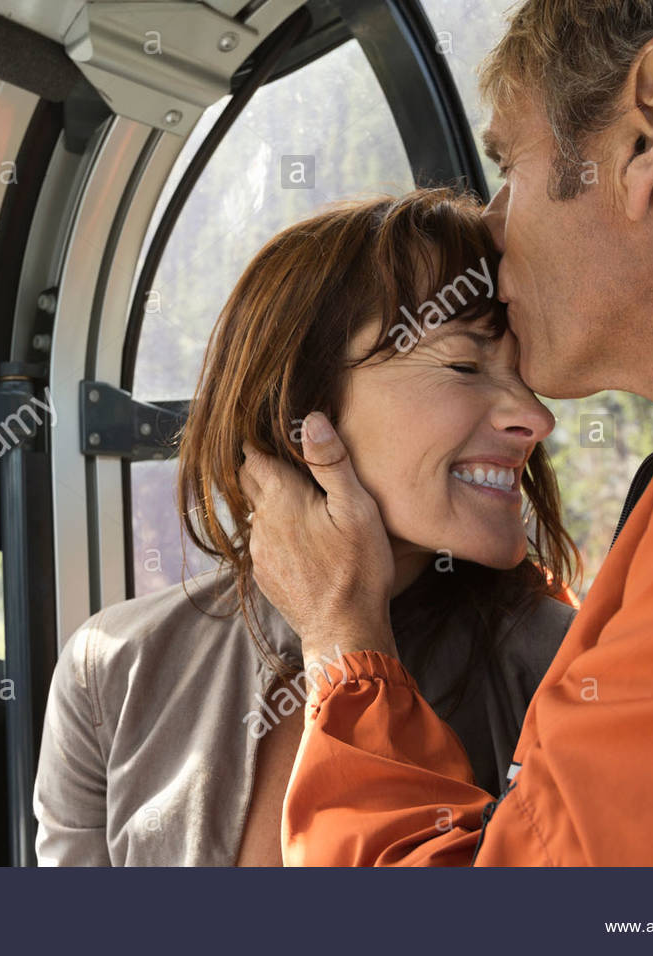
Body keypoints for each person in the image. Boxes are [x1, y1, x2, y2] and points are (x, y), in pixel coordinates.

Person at [241, 0, 653, 865]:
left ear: (647, 126)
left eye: (511, 167)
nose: (492, 227)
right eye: (458, 364)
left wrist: (345, 650)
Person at [32, 189, 580, 866]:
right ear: (302, 408)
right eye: (465, 364)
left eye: (524, 374)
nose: (536, 417)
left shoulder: (575, 672)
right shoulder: (113, 668)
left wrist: (343, 632)